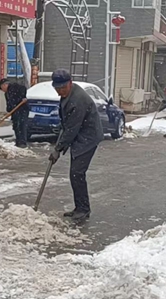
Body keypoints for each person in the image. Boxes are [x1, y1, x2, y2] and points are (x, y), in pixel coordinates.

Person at [48, 69, 102, 224]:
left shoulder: (77, 100)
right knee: (75, 173)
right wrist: (59, 143)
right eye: (57, 89)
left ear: (70, 83)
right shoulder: (68, 95)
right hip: (80, 136)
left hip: (87, 138)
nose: (60, 92)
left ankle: (83, 209)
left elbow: (72, 129)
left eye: (63, 88)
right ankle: (80, 207)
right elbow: (67, 124)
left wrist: (58, 149)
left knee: (77, 173)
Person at [0, 78, 29, 148]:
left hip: (22, 110)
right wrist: (8, 111)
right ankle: (18, 141)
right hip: (15, 112)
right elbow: (9, 104)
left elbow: (23, 88)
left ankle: (22, 142)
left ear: (4, 85)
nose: (2, 90)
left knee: (21, 125)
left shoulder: (14, 87)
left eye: (2, 88)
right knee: (16, 126)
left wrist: (23, 97)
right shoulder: (6, 94)